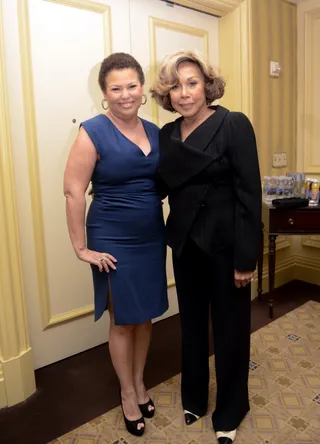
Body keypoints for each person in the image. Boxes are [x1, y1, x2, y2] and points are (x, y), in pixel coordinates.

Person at [150, 51, 261, 444]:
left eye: (192, 83)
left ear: (207, 85)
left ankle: (232, 407)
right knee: (192, 326)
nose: (184, 93)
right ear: (167, 93)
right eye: (175, 86)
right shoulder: (166, 134)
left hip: (227, 246)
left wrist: (247, 257)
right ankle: (194, 397)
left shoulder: (233, 124)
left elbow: (249, 194)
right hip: (185, 245)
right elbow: (161, 185)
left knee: (231, 330)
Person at [64, 53, 168, 437]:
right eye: (116, 88)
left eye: (132, 86)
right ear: (104, 94)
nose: (125, 95)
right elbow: (74, 191)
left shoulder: (157, 132)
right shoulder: (92, 130)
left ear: (142, 88)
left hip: (151, 236)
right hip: (112, 237)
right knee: (122, 319)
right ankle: (127, 392)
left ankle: (140, 382)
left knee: (145, 316)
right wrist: (81, 248)